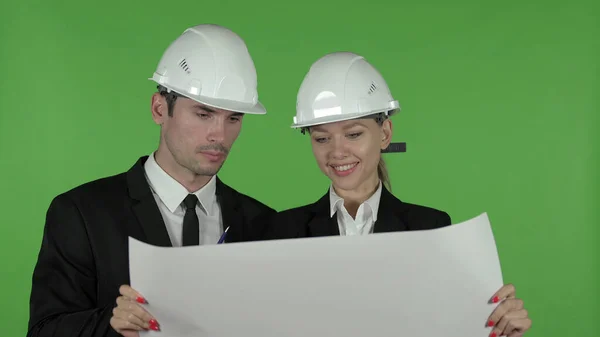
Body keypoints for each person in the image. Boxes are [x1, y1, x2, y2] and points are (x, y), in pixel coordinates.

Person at [258, 51, 532, 337]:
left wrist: (495, 328)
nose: (337, 152)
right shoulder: (282, 230)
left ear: (385, 133)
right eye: (322, 138)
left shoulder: (431, 228)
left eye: (353, 134)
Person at [27, 24, 275, 337]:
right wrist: (110, 324)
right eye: (203, 114)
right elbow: (43, 331)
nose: (219, 135)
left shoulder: (264, 225)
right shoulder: (82, 214)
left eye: (234, 118)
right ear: (159, 108)